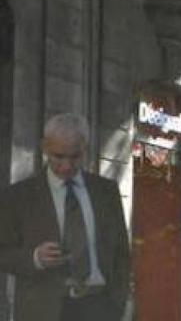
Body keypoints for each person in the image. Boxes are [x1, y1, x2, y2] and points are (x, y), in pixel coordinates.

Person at [0, 113, 130, 321]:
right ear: (45, 147)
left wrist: (118, 303)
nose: (67, 165)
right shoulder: (19, 196)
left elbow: (121, 252)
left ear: (84, 149)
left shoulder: (106, 192)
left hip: (100, 308)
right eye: (58, 156)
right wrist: (34, 258)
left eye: (75, 156)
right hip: (42, 310)